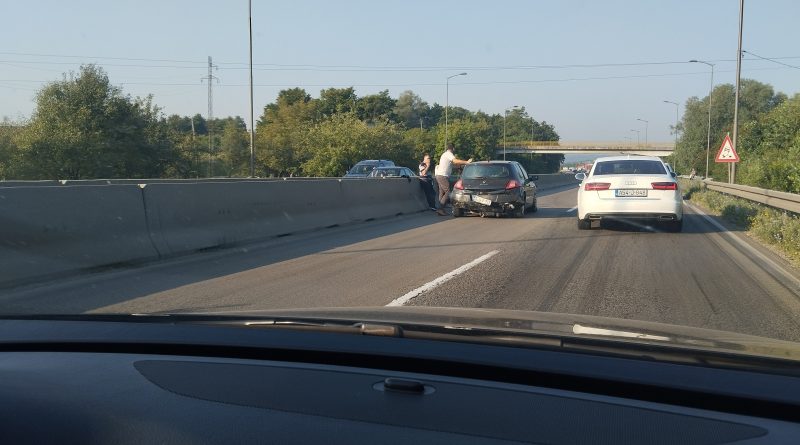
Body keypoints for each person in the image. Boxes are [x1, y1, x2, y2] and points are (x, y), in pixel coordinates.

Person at [434, 143, 472, 216]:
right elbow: (455, 161)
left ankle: (441, 209)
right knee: (448, 191)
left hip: (439, 175)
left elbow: (450, 166)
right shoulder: (449, 154)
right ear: (453, 148)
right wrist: (466, 162)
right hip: (443, 176)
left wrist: (459, 167)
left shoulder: (445, 154)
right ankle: (440, 208)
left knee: (442, 192)